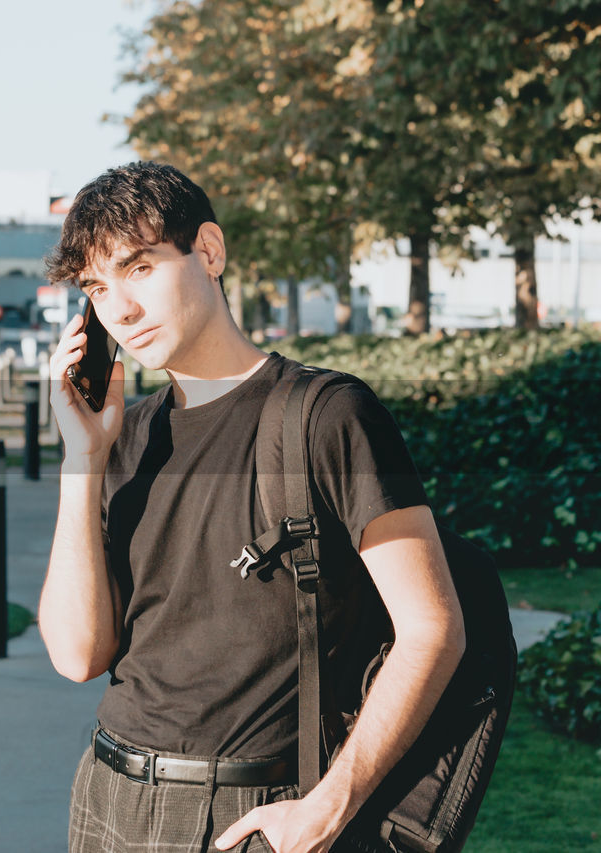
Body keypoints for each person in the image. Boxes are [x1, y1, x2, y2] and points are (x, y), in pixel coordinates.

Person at [39, 162, 465, 853]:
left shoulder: (327, 415)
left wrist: (328, 806)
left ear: (208, 251)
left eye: (139, 268)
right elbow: (77, 652)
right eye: (96, 286)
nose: (117, 308)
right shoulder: (127, 435)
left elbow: (434, 627)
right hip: (107, 796)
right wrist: (81, 459)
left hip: (247, 813)